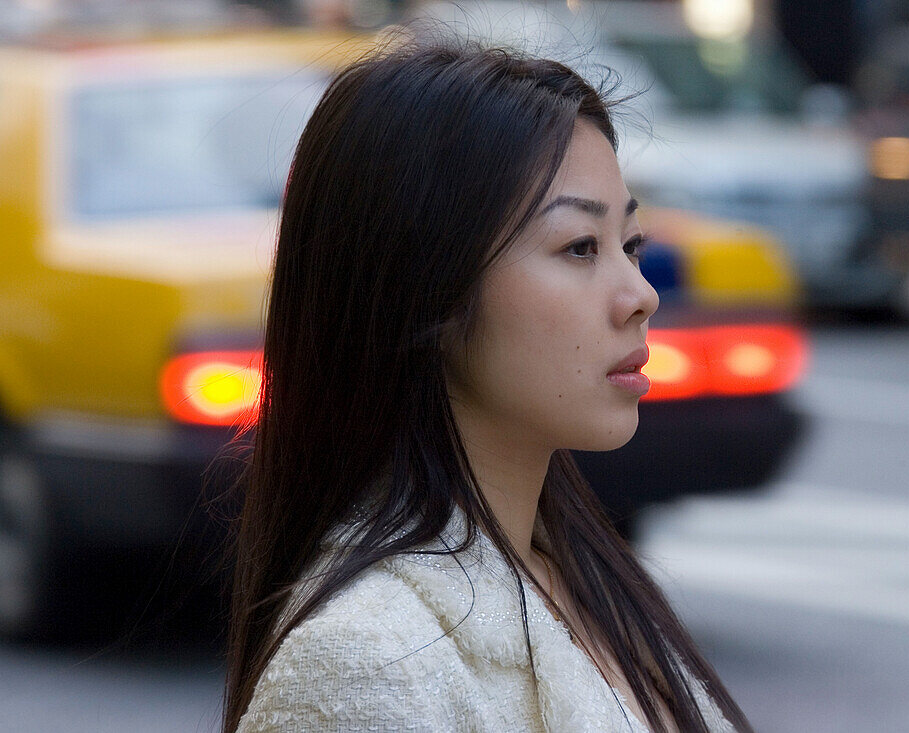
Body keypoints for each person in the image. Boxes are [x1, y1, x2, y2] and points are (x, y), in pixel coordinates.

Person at [222, 29, 755, 733]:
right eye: (579, 247)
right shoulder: (364, 662)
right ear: (427, 288)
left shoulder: (575, 572)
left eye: (631, 245)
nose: (640, 295)